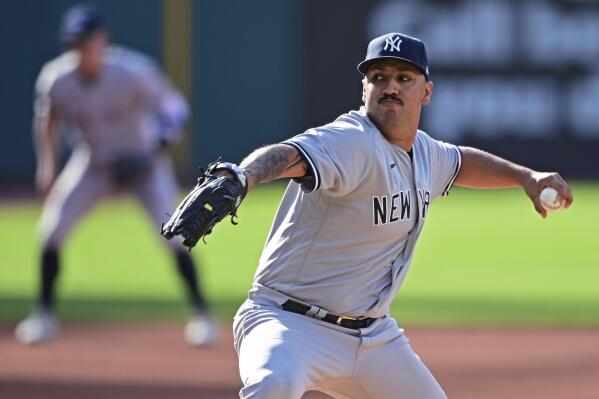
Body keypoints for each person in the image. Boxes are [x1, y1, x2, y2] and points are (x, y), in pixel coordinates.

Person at [182, 32, 573, 398]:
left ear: (426, 92)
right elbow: (292, 155)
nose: (390, 86)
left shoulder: (425, 153)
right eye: (379, 76)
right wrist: (243, 177)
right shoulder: (350, 140)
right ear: (364, 88)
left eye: (404, 77)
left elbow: (462, 162)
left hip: (373, 340)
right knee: (273, 386)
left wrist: (526, 177)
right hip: (288, 324)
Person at [15, 3, 217, 347]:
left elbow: (174, 109)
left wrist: (157, 149)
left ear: (102, 40)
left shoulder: (132, 72)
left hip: (145, 167)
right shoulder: (57, 79)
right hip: (95, 166)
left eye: (88, 41)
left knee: (174, 235)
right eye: (75, 43)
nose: (82, 50)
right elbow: (48, 121)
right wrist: (47, 164)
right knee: (51, 232)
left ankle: (202, 316)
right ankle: (44, 316)